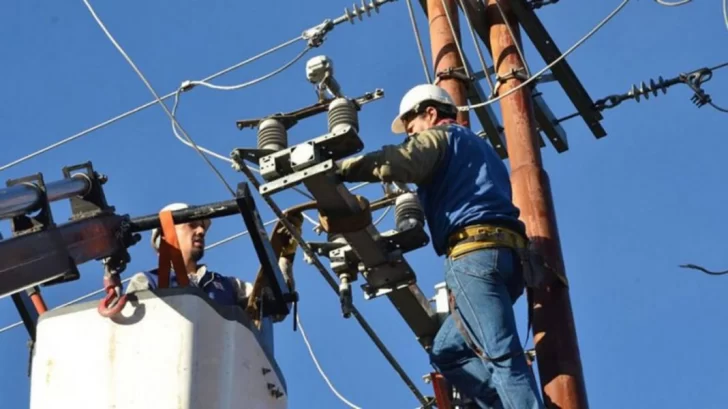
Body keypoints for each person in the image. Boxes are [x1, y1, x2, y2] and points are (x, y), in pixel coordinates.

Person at [336, 84, 544, 408]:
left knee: (501, 355)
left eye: (412, 129)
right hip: (508, 260)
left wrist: (341, 170)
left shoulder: (441, 138)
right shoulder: (481, 150)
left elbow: (402, 161)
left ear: (430, 114)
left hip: (473, 257)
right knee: (447, 350)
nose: (410, 137)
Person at [126, 202, 252, 307]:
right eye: (192, 225)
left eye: (202, 226)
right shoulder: (147, 281)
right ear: (166, 235)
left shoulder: (231, 286)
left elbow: (259, 297)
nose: (201, 231)